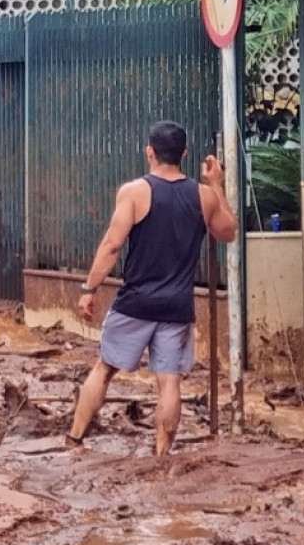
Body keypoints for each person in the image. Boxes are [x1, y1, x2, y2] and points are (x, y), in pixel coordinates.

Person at [67, 121, 238, 457]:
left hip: (135, 302)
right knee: (169, 381)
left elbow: (112, 245)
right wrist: (217, 185)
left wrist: (90, 288)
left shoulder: (134, 192)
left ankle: (74, 440)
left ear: (150, 152)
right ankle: (161, 457)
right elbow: (228, 232)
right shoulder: (203, 196)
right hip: (177, 306)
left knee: (104, 369)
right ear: (184, 154)